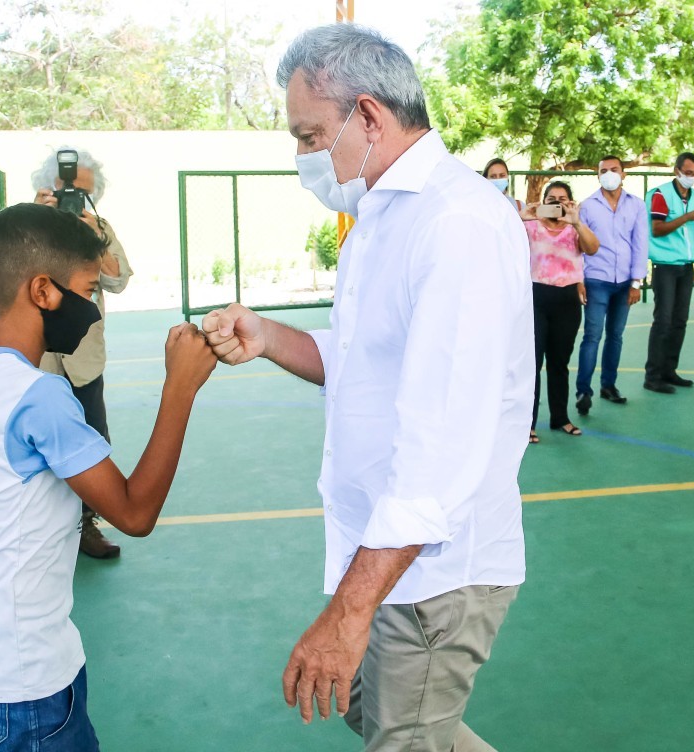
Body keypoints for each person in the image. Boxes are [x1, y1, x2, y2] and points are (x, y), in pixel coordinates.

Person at [204, 24, 529, 751]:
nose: (304, 157)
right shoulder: (381, 216)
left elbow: (440, 448)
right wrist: (268, 337)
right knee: (385, 718)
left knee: (404, 737)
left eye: (310, 135)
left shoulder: (456, 222)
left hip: (431, 574)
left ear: (370, 116)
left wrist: (347, 617)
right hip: (389, 554)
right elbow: (366, 360)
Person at [0, 203, 216, 750]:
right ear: (43, 291)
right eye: (87, 288)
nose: (91, 305)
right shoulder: (39, 397)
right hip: (23, 677)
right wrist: (179, 389)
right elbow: (133, 513)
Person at [31, 146, 134, 559]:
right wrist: (35, 217)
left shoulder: (99, 226)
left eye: (82, 191)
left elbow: (118, 279)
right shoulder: (22, 224)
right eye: (64, 188)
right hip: (33, 361)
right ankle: (38, 533)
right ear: (45, 188)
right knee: (33, 447)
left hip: (83, 361)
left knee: (91, 444)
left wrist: (97, 238)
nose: (72, 196)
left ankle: (86, 524)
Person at [521, 180, 599, 442]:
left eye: (562, 198)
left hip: (567, 299)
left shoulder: (574, 228)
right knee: (533, 363)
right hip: (536, 298)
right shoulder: (530, 226)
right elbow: (503, 239)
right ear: (544, 201)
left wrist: (576, 221)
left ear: (570, 201)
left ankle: (560, 418)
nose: (557, 202)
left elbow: (593, 248)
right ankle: (527, 423)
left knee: (559, 363)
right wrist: (523, 217)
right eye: (552, 198)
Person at [575, 155, 649, 412]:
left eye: (614, 169)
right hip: (596, 279)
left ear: (624, 174)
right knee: (592, 336)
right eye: (604, 170)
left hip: (625, 282)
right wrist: (579, 280)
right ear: (597, 175)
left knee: (615, 336)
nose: (609, 174)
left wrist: (637, 282)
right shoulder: (587, 206)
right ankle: (583, 391)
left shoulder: (636, 205)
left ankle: (609, 385)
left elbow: (641, 244)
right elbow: (579, 246)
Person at [644, 152, 694, 393]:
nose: (691, 177)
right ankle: (652, 376)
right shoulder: (661, 195)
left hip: (686, 265)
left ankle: (669, 370)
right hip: (665, 265)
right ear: (677, 171)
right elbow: (657, 229)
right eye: (688, 173)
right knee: (663, 320)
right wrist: (687, 217)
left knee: (679, 321)